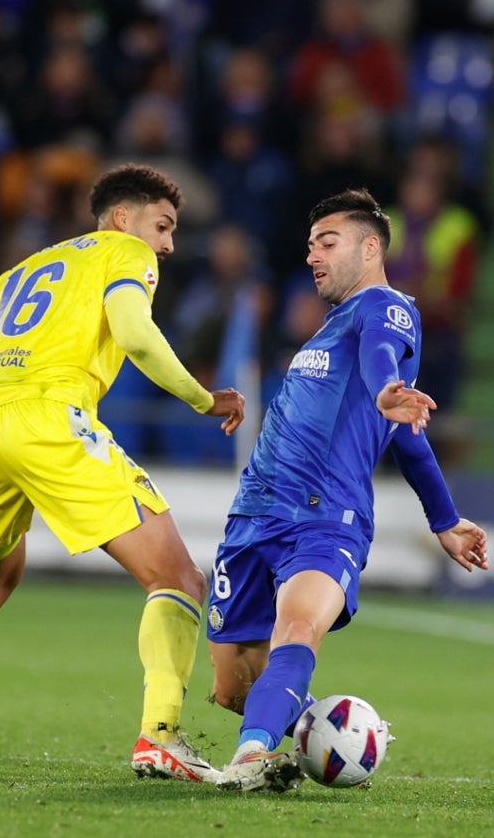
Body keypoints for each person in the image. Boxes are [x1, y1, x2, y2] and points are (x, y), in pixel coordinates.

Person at [0, 163, 246, 783]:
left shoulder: (24, 270)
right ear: (124, 218)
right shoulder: (124, 252)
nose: (169, 245)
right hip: (49, 421)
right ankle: (161, 737)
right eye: (164, 226)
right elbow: (135, 333)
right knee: (177, 576)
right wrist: (203, 398)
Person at [207, 188, 489, 792]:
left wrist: (388, 386)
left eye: (327, 243)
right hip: (255, 512)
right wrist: (445, 519)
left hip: (323, 515)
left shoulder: (384, 308)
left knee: (298, 627)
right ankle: (335, 732)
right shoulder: (329, 330)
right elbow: (406, 439)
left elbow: (384, 360)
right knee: (233, 686)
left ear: (370, 246)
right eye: (310, 246)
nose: (313, 256)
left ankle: (251, 758)